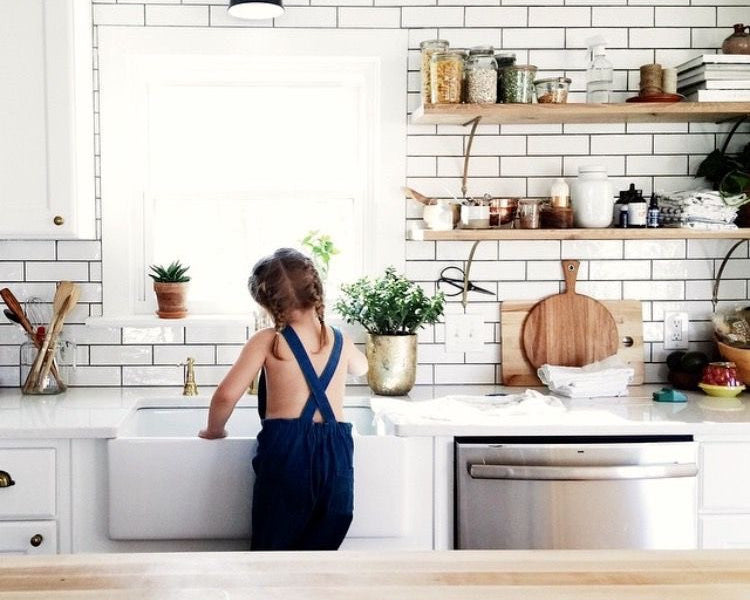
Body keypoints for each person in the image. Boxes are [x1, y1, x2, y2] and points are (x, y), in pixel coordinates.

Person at [199, 247, 368, 551]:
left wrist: (214, 431)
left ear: (266, 303)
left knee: (273, 549)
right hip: (337, 455)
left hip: (287, 452)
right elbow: (362, 368)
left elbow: (225, 395)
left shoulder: (269, 341)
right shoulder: (339, 339)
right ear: (316, 291)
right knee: (322, 548)